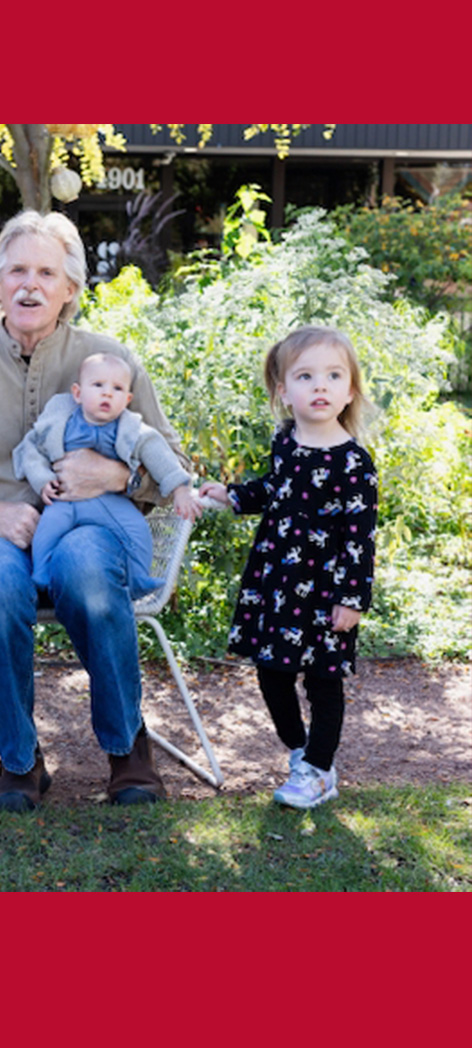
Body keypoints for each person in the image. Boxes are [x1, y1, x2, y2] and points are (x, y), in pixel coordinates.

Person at [0, 210, 188, 811]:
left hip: (88, 525)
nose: (30, 285)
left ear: (71, 289)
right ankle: (20, 761)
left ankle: (128, 749)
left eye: (47, 272)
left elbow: (169, 459)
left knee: (91, 576)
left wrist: (118, 475)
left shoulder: (107, 357)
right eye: (17, 270)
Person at [200, 326, 377, 809]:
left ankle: (319, 769)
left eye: (333, 375)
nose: (320, 386)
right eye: (305, 376)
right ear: (283, 390)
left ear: (350, 390)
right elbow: (273, 490)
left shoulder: (355, 464)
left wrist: (352, 599)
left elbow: (361, 537)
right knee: (272, 673)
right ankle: (303, 754)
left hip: (327, 592)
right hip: (277, 584)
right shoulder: (286, 443)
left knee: (323, 680)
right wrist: (233, 496)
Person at [14, 350, 202, 593]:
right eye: (98, 385)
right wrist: (43, 480)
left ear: (127, 399)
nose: (107, 393)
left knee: (136, 530)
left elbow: (161, 459)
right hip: (63, 499)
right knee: (47, 531)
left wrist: (181, 489)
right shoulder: (60, 422)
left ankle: (139, 577)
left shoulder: (132, 430)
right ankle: (41, 573)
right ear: (78, 394)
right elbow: (31, 451)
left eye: (117, 389)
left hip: (107, 501)